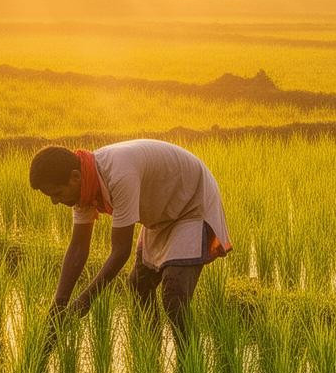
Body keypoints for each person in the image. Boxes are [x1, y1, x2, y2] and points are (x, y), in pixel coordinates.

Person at [28, 140, 231, 329]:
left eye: (57, 193)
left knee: (174, 296)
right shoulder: (84, 189)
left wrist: (84, 302)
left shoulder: (118, 174)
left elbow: (120, 252)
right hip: (161, 212)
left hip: (190, 203)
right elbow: (78, 249)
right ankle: (152, 349)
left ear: (75, 177)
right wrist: (58, 306)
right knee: (139, 285)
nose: (55, 201)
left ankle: (188, 364)